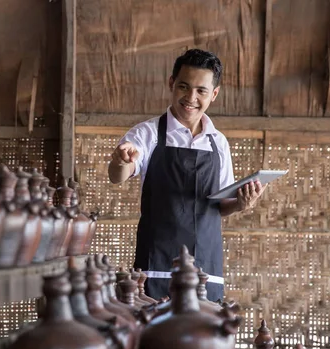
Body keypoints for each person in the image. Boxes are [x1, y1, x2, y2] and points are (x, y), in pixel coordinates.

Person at [107, 49, 266, 301]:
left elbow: (220, 204)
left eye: (201, 90)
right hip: (156, 266)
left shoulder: (218, 142)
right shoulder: (147, 134)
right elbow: (118, 175)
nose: (191, 97)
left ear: (214, 94)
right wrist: (120, 161)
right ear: (171, 84)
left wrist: (241, 204)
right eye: (184, 86)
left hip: (205, 268)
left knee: (206, 336)